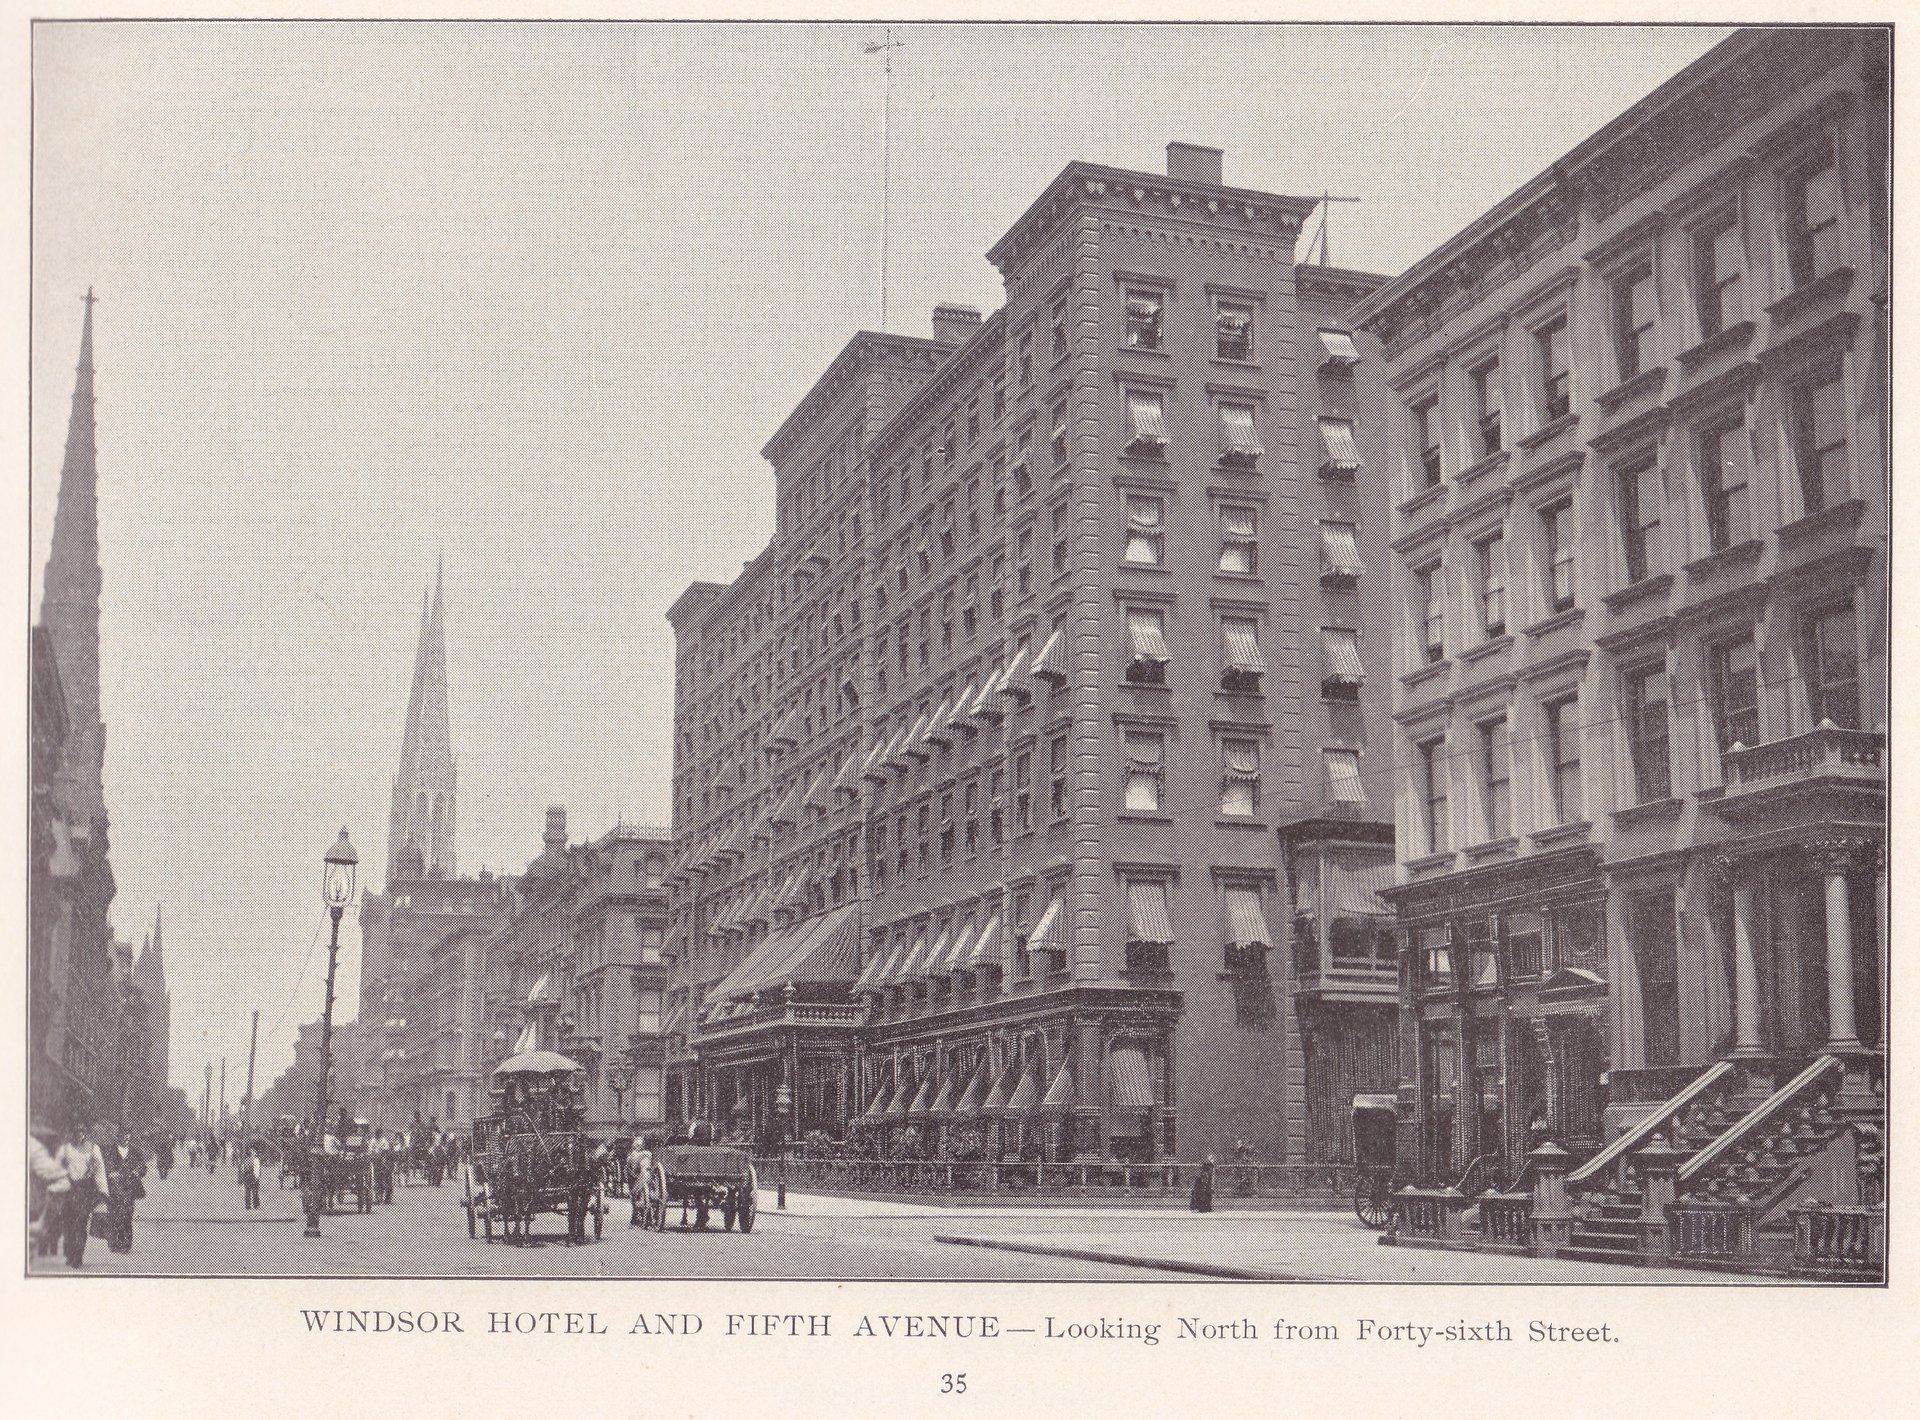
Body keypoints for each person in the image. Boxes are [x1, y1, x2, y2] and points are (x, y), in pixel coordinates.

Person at [55, 1121, 107, 1268]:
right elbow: (56, 1168)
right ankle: (70, 1253)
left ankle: (78, 1256)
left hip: (85, 1190)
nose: (79, 1135)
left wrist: (103, 1191)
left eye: (82, 1131)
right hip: (68, 1189)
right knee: (68, 1223)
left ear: (85, 1132)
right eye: (76, 1132)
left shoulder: (93, 1148)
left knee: (81, 1223)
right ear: (72, 1133)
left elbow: (99, 1170)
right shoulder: (65, 1149)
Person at [103, 1122, 148, 1254]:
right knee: (114, 1214)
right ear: (118, 1136)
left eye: (128, 1136)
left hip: (129, 1188)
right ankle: (114, 1243)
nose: (126, 1139)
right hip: (114, 1188)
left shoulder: (135, 1151)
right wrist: (110, 1173)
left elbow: (143, 1167)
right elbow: (105, 1166)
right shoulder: (111, 1150)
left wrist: (137, 1171)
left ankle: (126, 1243)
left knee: (127, 1214)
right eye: (123, 1136)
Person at [29, 1119, 69, 1259]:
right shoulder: (49, 1155)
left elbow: (62, 1176)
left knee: (56, 1225)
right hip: (43, 1195)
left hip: (52, 1194)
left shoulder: (57, 1154)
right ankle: (43, 1248)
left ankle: (51, 1246)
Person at [627, 1135, 656, 1227]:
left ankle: (636, 1216)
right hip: (646, 1177)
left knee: (635, 1195)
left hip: (640, 1178)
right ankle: (643, 1216)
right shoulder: (648, 1154)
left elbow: (631, 1170)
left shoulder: (633, 1155)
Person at [241, 1143, 262, 1210]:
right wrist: (257, 1177)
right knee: (254, 1191)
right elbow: (257, 1169)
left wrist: (243, 1176)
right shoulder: (256, 1159)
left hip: (246, 1176)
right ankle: (255, 1205)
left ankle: (248, 1206)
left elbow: (242, 1168)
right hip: (252, 1176)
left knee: (247, 1191)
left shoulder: (246, 1159)